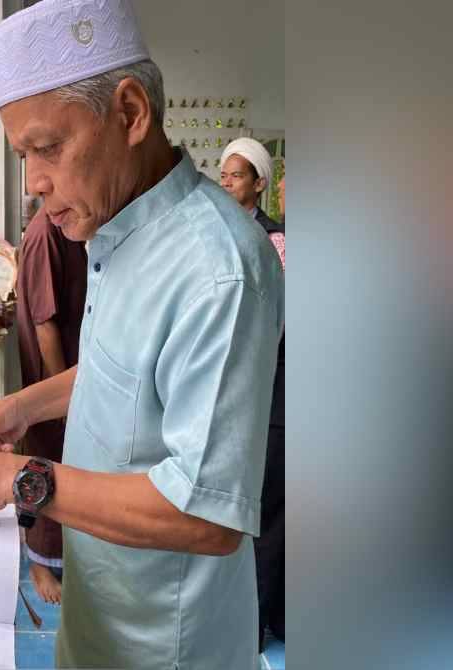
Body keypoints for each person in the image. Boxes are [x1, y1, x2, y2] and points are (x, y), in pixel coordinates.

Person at [0, 1, 284, 667]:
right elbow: (120, 373)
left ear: (130, 114)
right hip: (101, 619)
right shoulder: (116, 228)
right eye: (22, 154)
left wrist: (18, 480)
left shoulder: (219, 270)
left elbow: (205, 517)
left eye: (49, 147)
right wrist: (18, 407)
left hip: (166, 646)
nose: (35, 183)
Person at [221, 140, 286, 650]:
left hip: (273, 394)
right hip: (237, 392)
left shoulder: (275, 242)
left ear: (258, 184)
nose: (226, 182)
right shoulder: (217, 235)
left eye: (236, 176)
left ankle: (262, 621)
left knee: (267, 510)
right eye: (222, 174)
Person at [15, 200, 87, 603]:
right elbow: (45, 324)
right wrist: (64, 396)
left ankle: (61, 554)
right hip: (54, 379)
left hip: (72, 374)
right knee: (45, 469)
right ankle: (40, 562)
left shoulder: (69, 225)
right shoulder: (45, 234)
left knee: (67, 468)